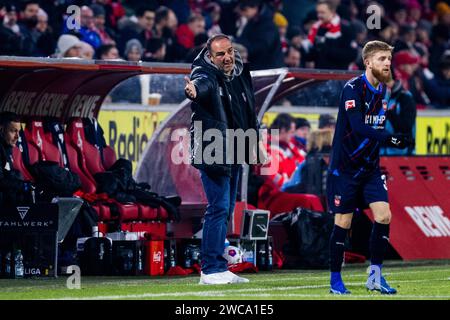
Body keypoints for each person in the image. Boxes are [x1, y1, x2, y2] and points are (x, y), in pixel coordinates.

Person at [326, 40, 413, 295]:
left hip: (370, 168)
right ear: (368, 62)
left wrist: (399, 135)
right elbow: (359, 126)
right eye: (382, 59)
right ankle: (335, 280)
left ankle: (375, 275)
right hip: (345, 168)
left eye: (389, 59)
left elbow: (376, 127)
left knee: (384, 216)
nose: (388, 63)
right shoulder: (352, 88)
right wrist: (390, 138)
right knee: (343, 222)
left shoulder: (384, 91)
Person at [184, 34, 266, 285]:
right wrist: (193, 90)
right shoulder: (205, 73)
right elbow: (201, 86)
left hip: (235, 149)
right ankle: (209, 269)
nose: (227, 57)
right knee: (217, 208)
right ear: (210, 56)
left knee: (226, 209)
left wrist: (255, 142)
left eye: (229, 51)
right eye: (221, 54)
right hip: (213, 148)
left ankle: (219, 267)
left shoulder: (238, 73)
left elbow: (247, 110)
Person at [0, 112, 32, 206]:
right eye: (13, 131)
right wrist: (24, 186)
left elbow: (7, 174)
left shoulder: (6, 148)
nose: (18, 136)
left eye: (19, 132)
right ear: (1, 130)